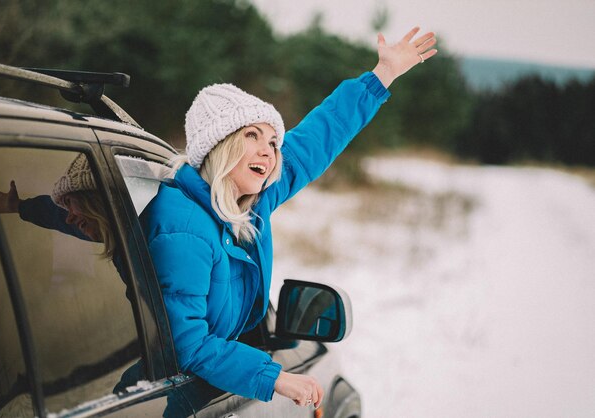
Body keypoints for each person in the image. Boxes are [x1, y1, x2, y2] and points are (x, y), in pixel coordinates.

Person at [141, 27, 437, 408]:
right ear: (218, 145)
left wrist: (381, 77)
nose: (267, 152)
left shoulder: (249, 202)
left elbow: (317, 138)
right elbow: (190, 347)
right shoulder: (185, 228)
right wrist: (274, 377)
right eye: (251, 136)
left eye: (272, 142)